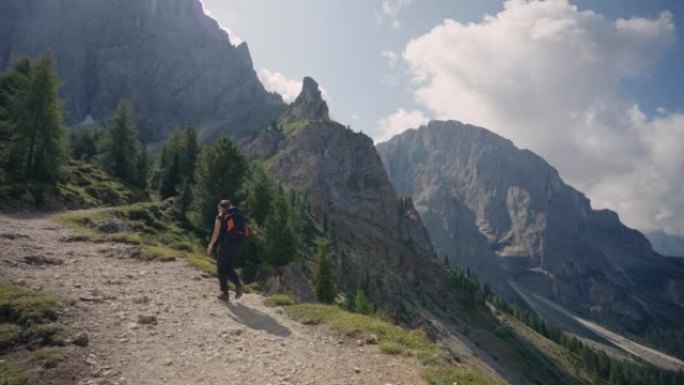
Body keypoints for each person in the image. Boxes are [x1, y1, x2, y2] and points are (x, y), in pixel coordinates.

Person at [206, 199, 245, 301]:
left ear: (221, 207)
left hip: (226, 244)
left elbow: (216, 233)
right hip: (237, 245)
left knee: (221, 268)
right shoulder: (237, 216)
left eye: (218, 208)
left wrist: (210, 246)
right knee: (229, 268)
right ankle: (238, 285)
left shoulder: (220, 217)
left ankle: (224, 293)